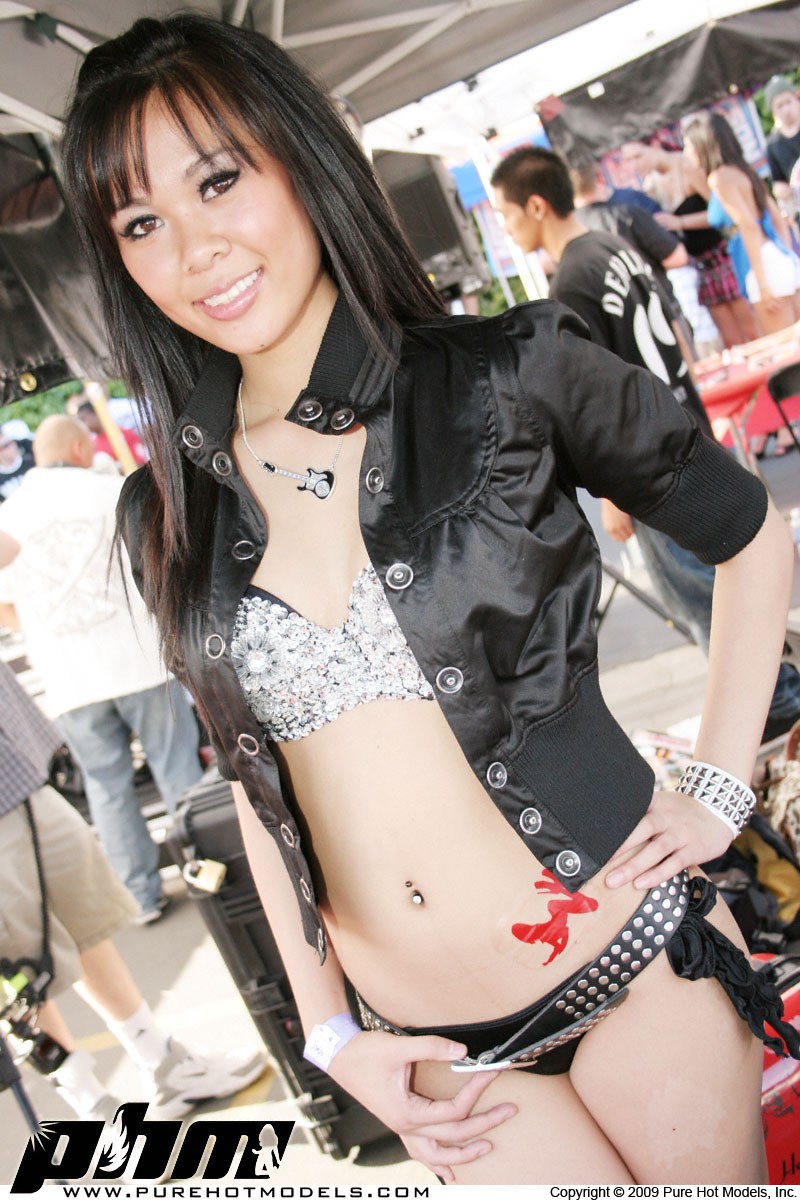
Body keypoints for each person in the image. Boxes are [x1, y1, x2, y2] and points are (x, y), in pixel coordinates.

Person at [60, 13, 798, 1183]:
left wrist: (715, 783)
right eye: (140, 222)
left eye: (218, 181)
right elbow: (255, 785)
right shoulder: (165, 513)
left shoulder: (507, 374)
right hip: (441, 1061)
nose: (194, 250)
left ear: (299, 159)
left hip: (633, 963)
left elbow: (749, 531)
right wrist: (327, 1033)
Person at [491, 144, 800, 744]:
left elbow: (596, 402)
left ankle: (776, 703)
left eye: (505, 214)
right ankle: (779, 693)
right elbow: (672, 334)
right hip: (685, 432)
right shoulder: (613, 248)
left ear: (536, 205)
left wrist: (612, 494)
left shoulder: (572, 283)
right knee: (721, 578)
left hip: (649, 464)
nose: (504, 228)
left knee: (702, 595)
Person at [0, 658, 267, 1121]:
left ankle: (162, 1062)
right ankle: (94, 1109)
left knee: (86, 922)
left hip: (18, 772)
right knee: (20, 973)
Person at [0, 414, 204, 923]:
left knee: (106, 787)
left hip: (71, 678)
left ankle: (140, 896)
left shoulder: (10, 515)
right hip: (140, 660)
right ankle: (206, 870)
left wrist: (46, 632)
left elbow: (4, 606)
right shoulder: (111, 492)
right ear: (77, 449)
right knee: (177, 769)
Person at [622, 138, 758, 349]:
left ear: (655, 146)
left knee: (752, 330)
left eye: (638, 156)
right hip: (698, 265)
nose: (634, 164)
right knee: (731, 341)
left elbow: (722, 211)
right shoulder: (651, 185)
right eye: (628, 160)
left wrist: (680, 222)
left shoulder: (686, 166)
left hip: (723, 255)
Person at [682, 111, 800, 335]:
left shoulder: (718, 178)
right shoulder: (742, 169)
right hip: (779, 256)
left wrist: (763, 284)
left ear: (703, 144)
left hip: (762, 264)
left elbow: (748, 226)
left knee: (784, 348)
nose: (686, 152)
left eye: (688, 145)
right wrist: (786, 257)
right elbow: (776, 217)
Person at [74, 394, 149, 467]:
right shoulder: (92, 446)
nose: (83, 425)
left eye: (83, 419)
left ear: (95, 414)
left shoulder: (126, 434)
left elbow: (143, 463)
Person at [763, 75, 800, 221]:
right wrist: (780, 190)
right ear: (773, 111)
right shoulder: (773, 144)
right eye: (779, 105)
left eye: (788, 102)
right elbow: (777, 181)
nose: (786, 109)